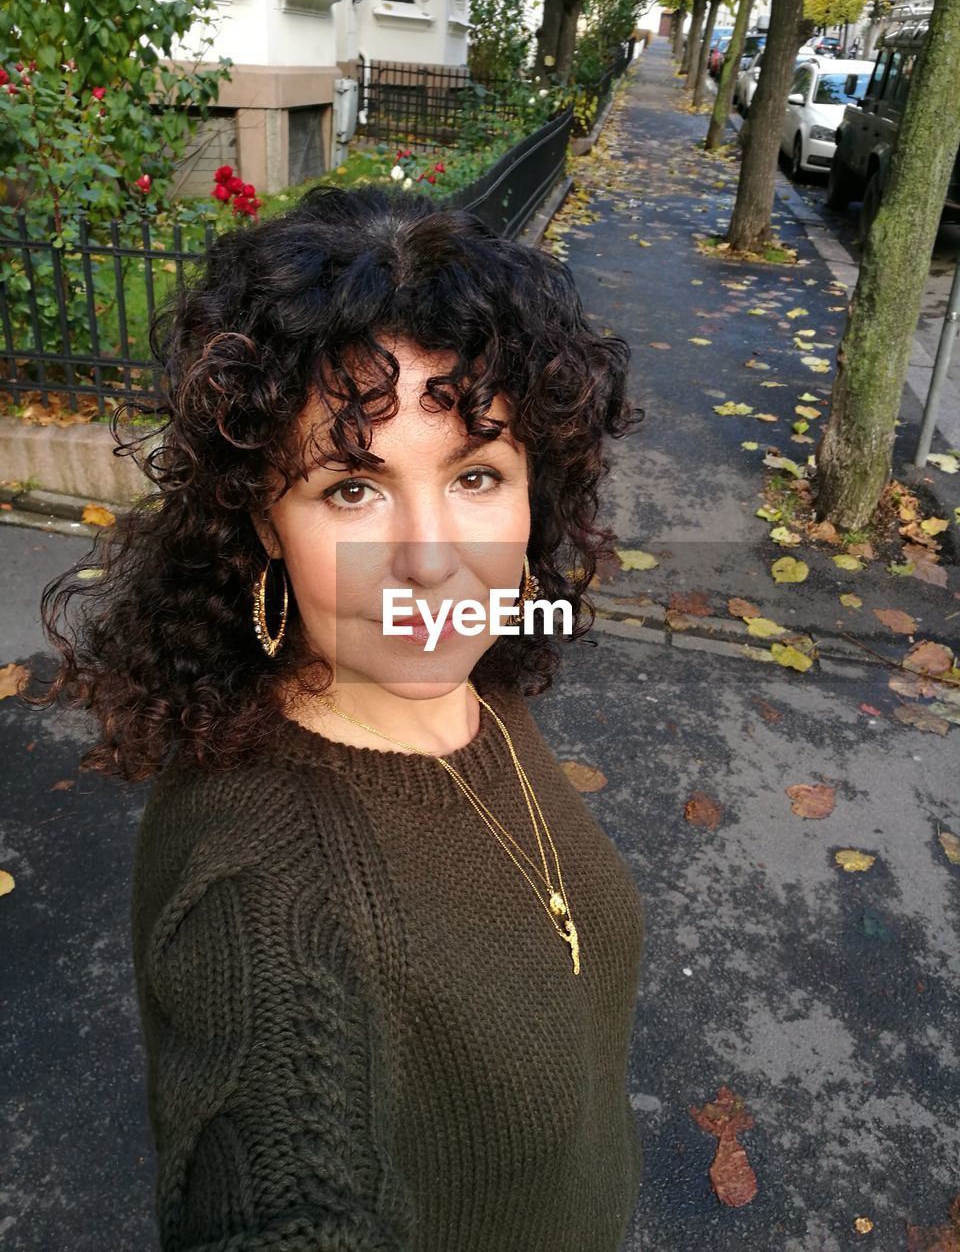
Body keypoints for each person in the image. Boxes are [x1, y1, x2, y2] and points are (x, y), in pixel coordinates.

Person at [34, 185, 646, 1251]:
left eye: (476, 473)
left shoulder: (467, 685)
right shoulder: (258, 883)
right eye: (351, 488)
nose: (427, 557)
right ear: (263, 518)